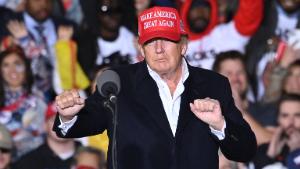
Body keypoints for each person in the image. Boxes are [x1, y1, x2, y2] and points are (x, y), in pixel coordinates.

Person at [53, 6, 257, 169]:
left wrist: (220, 125)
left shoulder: (214, 84)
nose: (158, 49)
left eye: (166, 39)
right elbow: (88, 121)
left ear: (183, 45)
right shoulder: (119, 81)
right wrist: (67, 116)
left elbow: (245, 150)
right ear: (141, 49)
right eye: (150, 42)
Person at [0, 45, 46, 160]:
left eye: (17, 63)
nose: (12, 70)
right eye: (6, 65)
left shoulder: (39, 95)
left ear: (26, 68)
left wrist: (24, 40)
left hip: (38, 160)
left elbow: (42, 66)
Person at [12, 102, 80, 169]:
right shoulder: (26, 164)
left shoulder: (88, 154)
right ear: (45, 126)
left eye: (67, 119)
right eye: (55, 120)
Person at [250, 93, 300, 169]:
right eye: (285, 116)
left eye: (297, 115)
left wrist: (296, 152)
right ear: (278, 119)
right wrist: (270, 155)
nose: (291, 122)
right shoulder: (263, 150)